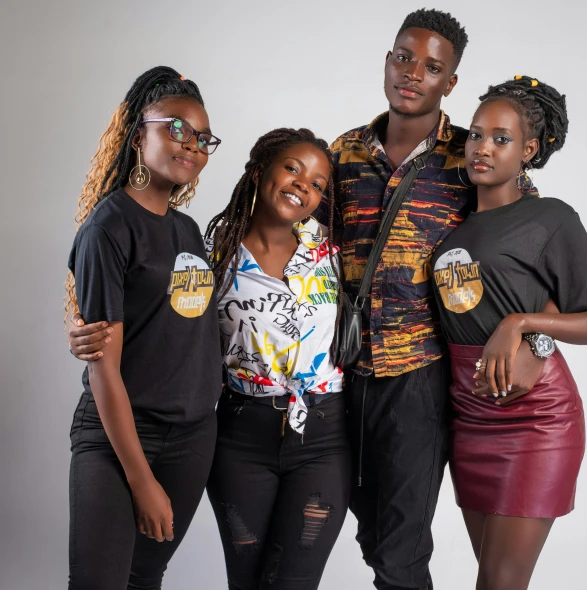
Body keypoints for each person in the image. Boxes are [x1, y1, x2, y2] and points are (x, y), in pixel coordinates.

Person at [314, 9, 539, 590]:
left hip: (422, 375)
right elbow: (298, 251)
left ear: (451, 83)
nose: (412, 74)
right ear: (388, 60)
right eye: (403, 57)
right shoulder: (342, 154)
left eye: (432, 66)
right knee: (365, 531)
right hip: (339, 373)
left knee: (400, 547)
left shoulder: (473, 158)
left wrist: (527, 333)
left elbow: (532, 252)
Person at [68, 127, 350, 589]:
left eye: (318, 183)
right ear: (260, 172)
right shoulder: (209, 256)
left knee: (294, 580)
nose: (304, 185)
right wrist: (84, 332)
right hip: (241, 434)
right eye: (293, 169)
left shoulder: (337, 252)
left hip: (323, 434)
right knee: (244, 578)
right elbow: (155, 318)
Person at [430, 76, 587, 590]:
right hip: (470, 417)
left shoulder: (549, 218)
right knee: (493, 580)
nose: (482, 148)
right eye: (474, 135)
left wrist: (524, 325)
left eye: (501, 138)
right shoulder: (452, 228)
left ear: (529, 150)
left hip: (536, 418)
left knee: (498, 581)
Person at [65, 66, 223, 590]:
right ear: (139, 135)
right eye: (176, 128)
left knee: (142, 581)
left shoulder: (188, 229)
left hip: (192, 438)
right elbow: (103, 371)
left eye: (202, 138)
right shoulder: (108, 227)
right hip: (119, 440)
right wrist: (141, 479)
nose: (192, 145)